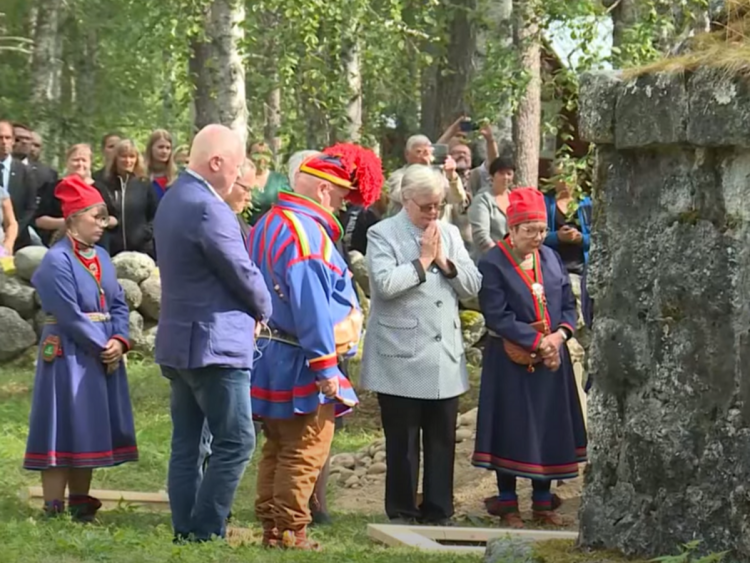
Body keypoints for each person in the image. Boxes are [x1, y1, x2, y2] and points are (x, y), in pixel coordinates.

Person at [249, 143, 382, 550]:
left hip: (273, 352)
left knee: (278, 443)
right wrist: (326, 367)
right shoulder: (305, 234)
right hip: (301, 358)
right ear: (324, 190)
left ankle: (274, 527)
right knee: (304, 447)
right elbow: (309, 307)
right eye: (342, 197)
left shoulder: (269, 222)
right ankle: (291, 531)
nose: (343, 206)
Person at [154, 124, 272, 543]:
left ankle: (186, 529)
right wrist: (265, 307)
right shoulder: (209, 206)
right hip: (213, 346)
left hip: (180, 342)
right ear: (216, 162)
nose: (242, 176)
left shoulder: (172, 197)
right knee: (237, 441)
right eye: (238, 166)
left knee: (188, 443)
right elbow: (242, 271)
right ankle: (204, 532)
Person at [360, 164, 481, 525]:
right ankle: (401, 510)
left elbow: (473, 286)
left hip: (443, 353)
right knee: (404, 442)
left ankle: (439, 510)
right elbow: (383, 284)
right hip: (401, 353)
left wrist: (444, 261)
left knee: (442, 439)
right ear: (405, 200)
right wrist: (422, 261)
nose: (432, 213)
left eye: (438, 205)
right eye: (426, 206)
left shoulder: (449, 233)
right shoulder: (382, 234)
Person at [23, 174, 137, 521]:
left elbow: (117, 303)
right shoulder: (56, 261)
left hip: (99, 350)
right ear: (73, 219)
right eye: (96, 217)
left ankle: (80, 501)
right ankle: (53, 505)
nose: (102, 224)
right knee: (63, 423)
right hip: (68, 353)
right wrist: (103, 345)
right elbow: (70, 315)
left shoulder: (102, 256)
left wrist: (120, 340)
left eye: (104, 218)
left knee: (87, 424)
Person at [472, 187, 587, 528]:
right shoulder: (493, 262)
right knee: (510, 427)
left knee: (547, 427)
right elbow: (496, 314)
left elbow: (568, 304)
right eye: (529, 231)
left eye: (541, 229)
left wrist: (558, 336)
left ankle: (542, 502)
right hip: (510, 358)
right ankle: (508, 505)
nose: (538, 237)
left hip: (552, 358)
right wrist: (536, 340)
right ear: (512, 228)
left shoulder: (551, 258)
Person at [95, 139, 159, 259]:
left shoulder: (144, 184)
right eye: (123, 156)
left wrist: (146, 233)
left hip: (142, 252)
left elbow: (156, 215)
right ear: (115, 159)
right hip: (110, 251)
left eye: (132, 156)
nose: (128, 161)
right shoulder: (103, 184)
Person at [467, 156, 515, 261]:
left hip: (513, 259)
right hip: (488, 260)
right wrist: (500, 256)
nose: (506, 177)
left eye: (509, 174)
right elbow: (481, 236)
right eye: (501, 173)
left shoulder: (515, 199)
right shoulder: (482, 199)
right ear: (492, 175)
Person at [0, 121, 37, 250]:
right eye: (0, 137)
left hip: (19, 242)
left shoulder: (25, 172)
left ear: (13, 141)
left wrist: (11, 234)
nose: (4, 142)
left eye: (7, 137)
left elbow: (31, 207)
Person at [246, 141, 289, 225]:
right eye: (257, 153)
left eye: (265, 154)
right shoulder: (242, 177)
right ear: (248, 156)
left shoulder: (279, 180)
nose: (261, 158)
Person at [145, 129, 178, 202]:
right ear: (151, 148)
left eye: (168, 148)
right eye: (160, 147)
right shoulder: (142, 176)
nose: (164, 151)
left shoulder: (177, 176)